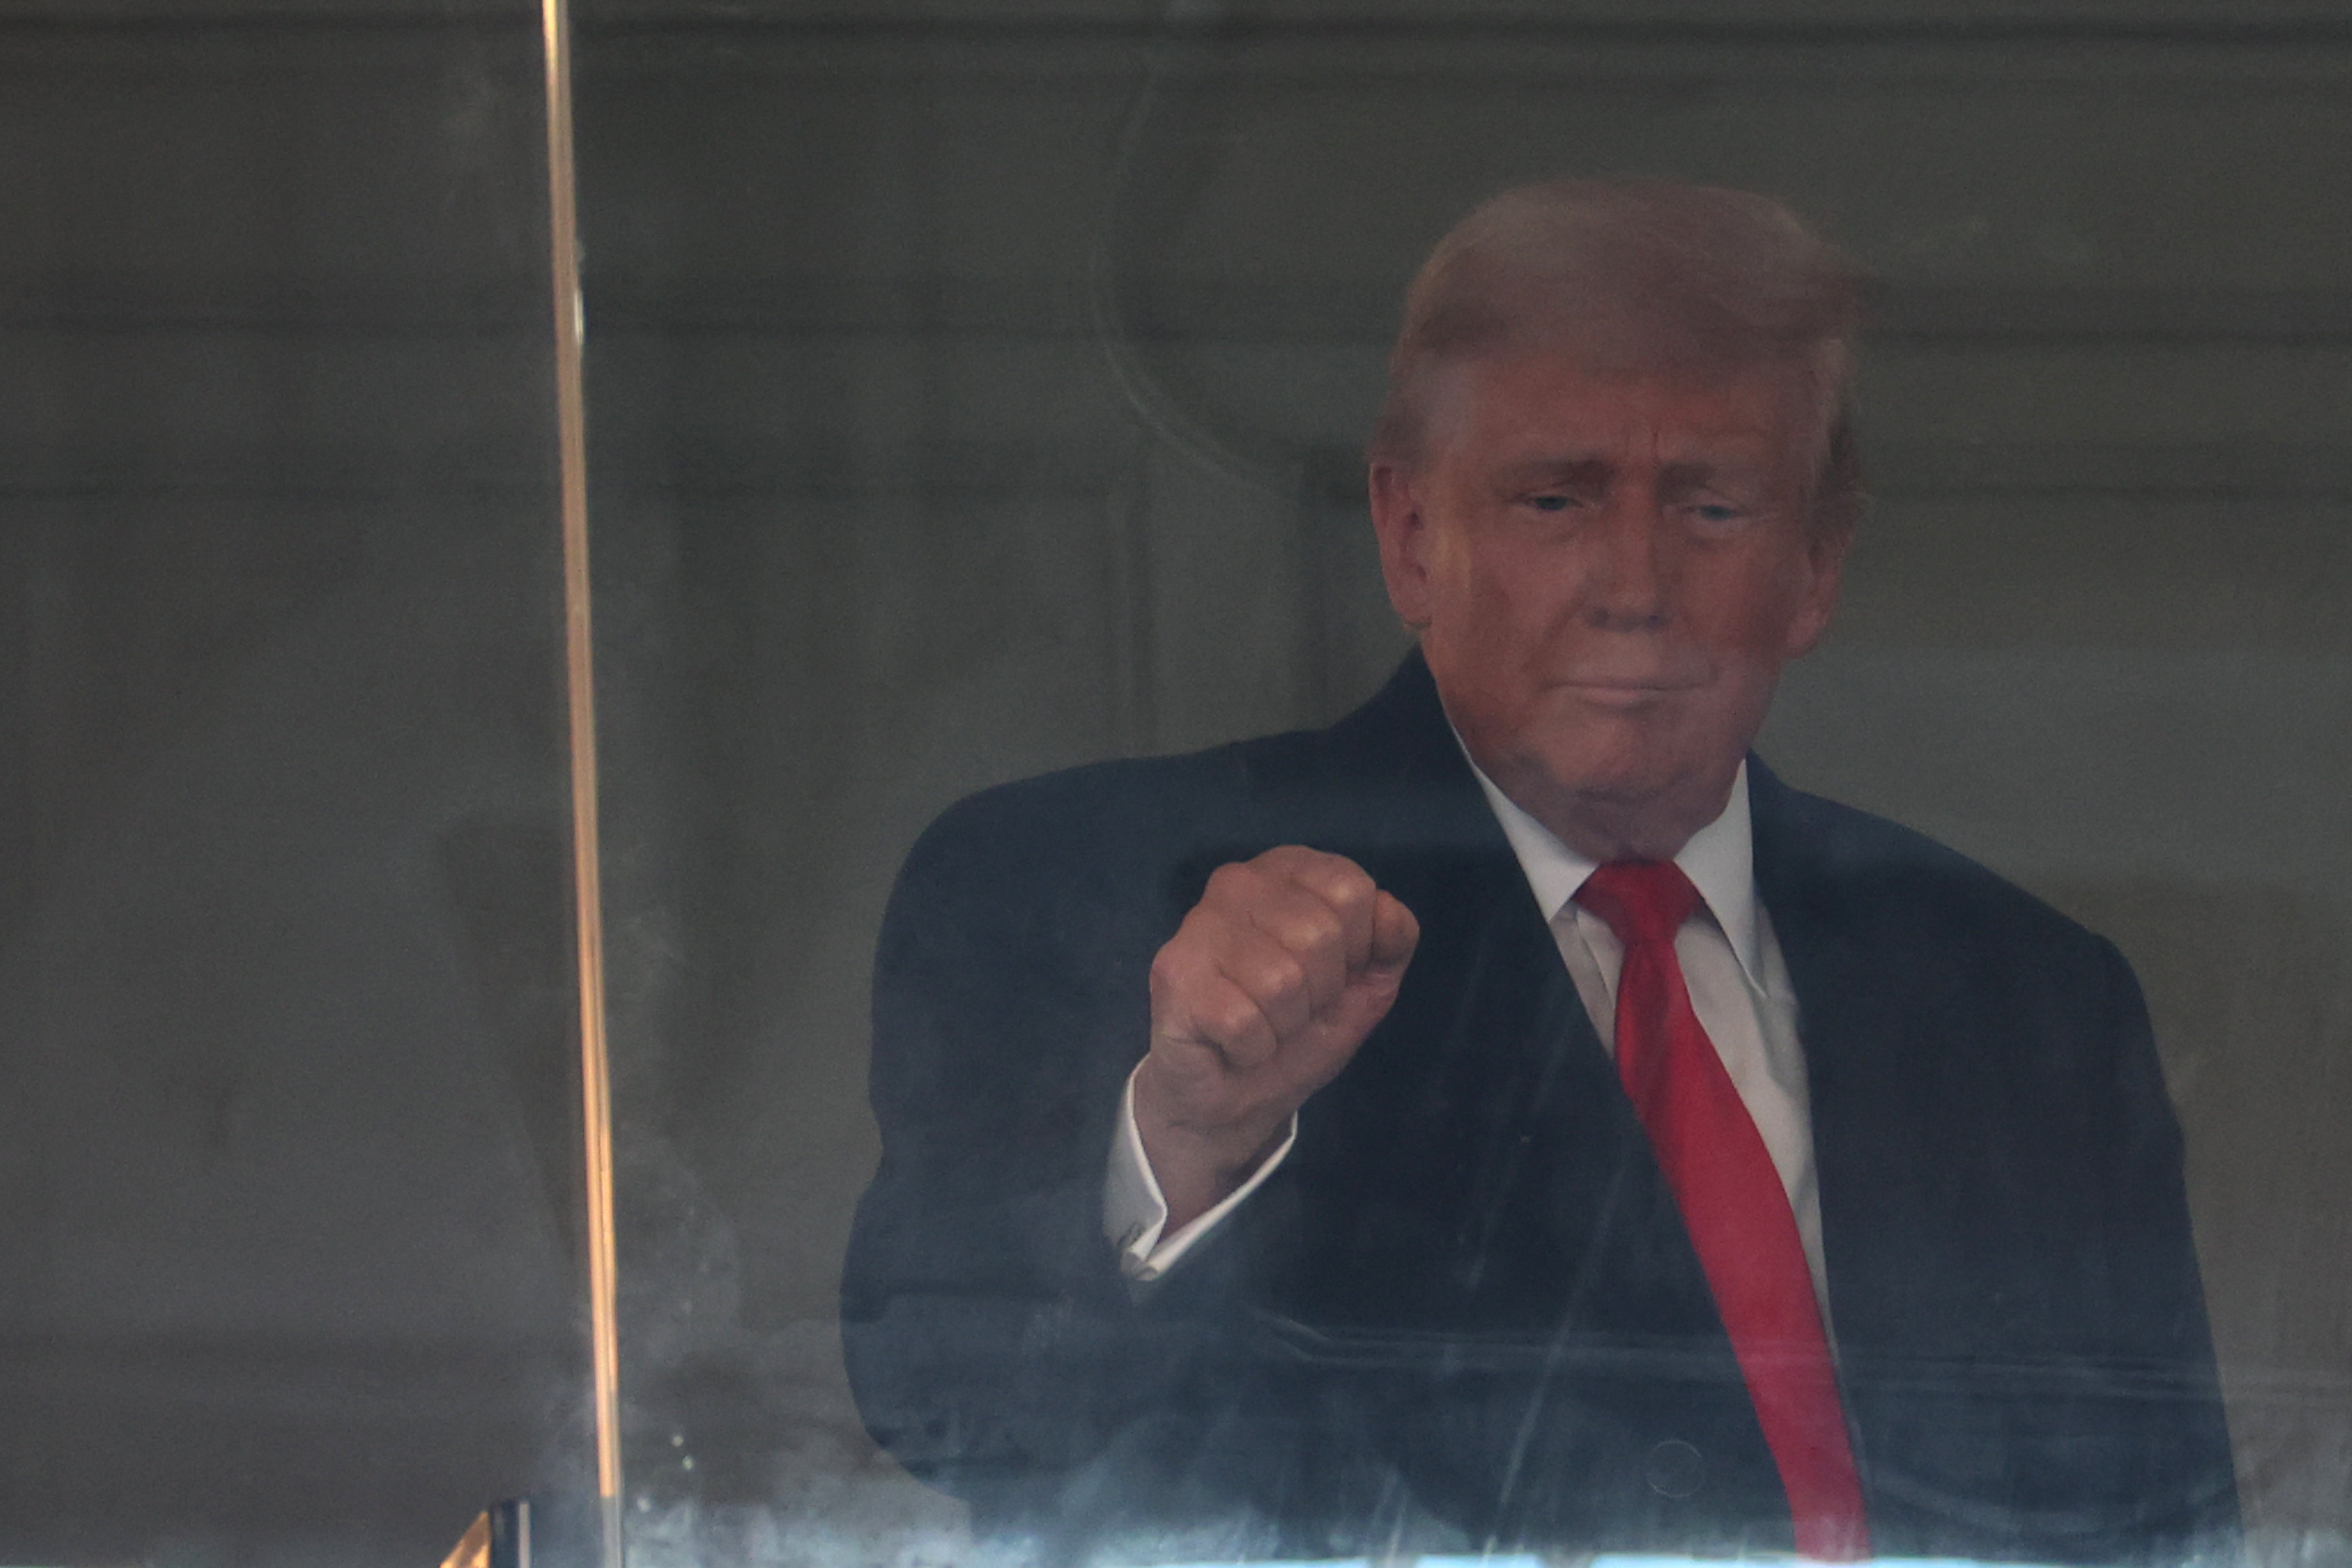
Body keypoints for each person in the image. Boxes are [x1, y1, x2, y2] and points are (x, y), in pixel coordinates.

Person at [842, 179, 2239, 1563]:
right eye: (1556, 499)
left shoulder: (2032, 1001)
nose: (1633, 582)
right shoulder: (1091, 888)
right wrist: (1189, 1146)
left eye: (1713, 506)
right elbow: (956, 1408)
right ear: (1409, 538)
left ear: (1817, 562)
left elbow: (2170, 1534)